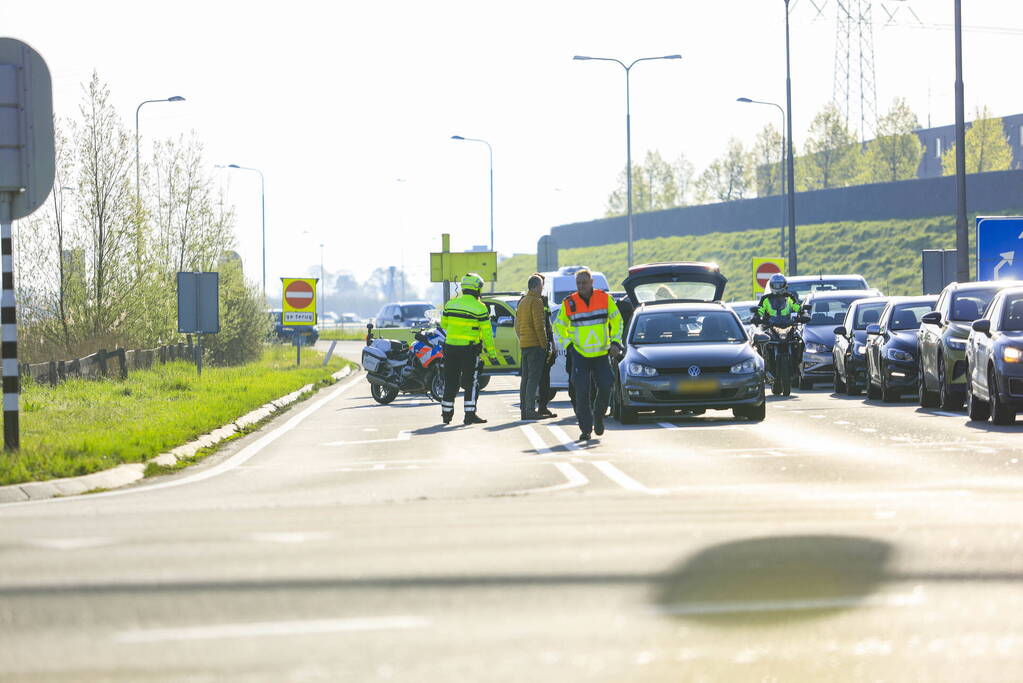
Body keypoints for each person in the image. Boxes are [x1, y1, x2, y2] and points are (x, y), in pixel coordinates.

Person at [554, 268, 623, 441]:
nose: (581, 286)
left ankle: (598, 416)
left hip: (601, 353)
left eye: (584, 282)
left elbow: (617, 320)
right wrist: (569, 345)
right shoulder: (569, 303)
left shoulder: (604, 298)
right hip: (580, 354)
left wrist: (615, 342)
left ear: (592, 282)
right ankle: (585, 429)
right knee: (581, 392)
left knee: (607, 386)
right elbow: (558, 326)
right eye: (578, 283)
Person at [440, 273, 499, 425]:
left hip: (450, 348)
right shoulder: (480, 308)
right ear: (477, 289)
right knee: (470, 382)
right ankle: (469, 415)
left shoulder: (450, 304)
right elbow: (487, 334)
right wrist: (492, 354)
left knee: (450, 381)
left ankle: (446, 415)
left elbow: (444, 325)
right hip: (469, 351)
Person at [515, 274, 550, 420]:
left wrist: (522, 339)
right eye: (541, 286)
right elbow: (539, 326)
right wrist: (545, 345)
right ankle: (530, 410)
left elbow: (517, 326)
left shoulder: (523, 301)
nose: (542, 289)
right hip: (535, 345)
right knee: (533, 380)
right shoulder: (536, 301)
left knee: (526, 379)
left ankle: (524, 410)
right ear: (535, 287)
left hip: (525, 344)